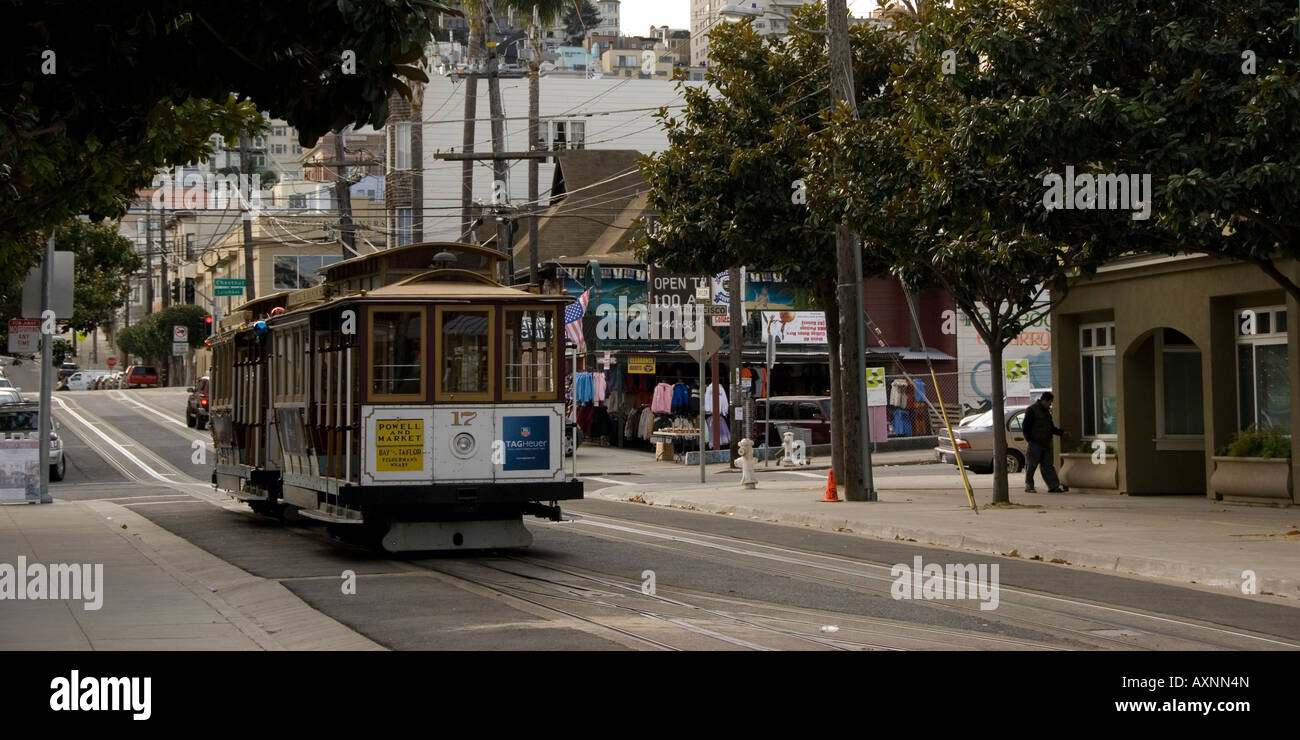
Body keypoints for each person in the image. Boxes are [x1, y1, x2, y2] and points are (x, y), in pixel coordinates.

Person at [1022, 391, 1070, 493]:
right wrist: (1029, 439)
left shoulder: (1046, 412)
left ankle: (1053, 486)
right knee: (1031, 465)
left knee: (1048, 466)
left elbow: (1050, 428)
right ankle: (1029, 486)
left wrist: (1061, 433)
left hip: (1045, 443)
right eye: (1050, 402)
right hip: (1035, 443)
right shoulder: (1032, 410)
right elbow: (1025, 426)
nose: (1050, 404)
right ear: (1044, 400)